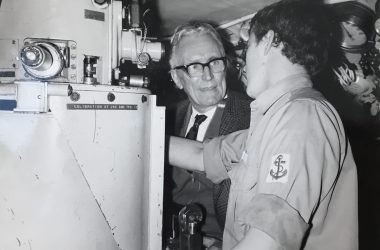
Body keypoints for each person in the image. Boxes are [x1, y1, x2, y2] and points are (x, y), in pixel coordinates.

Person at [168, 1, 358, 249]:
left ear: (267, 42)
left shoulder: (301, 119)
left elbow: (267, 241)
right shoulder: (274, 121)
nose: (244, 60)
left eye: (248, 46)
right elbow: (202, 154)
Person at [164, 21, 252, 245]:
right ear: (176, 77)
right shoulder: (165, 118)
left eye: (215, 62)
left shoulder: (253, 115)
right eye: (194, 66)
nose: (208, 75)